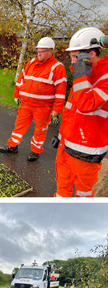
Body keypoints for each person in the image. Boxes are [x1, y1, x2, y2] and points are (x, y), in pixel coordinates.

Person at [54, 27, 108, 197]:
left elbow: (86, 104)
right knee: (62, 188)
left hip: (87, 153)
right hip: (66, 146)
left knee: (83, 196)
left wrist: (81, 75)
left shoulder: (103, 77)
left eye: (74, 57)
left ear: (90, 54)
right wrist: (62, 136)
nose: (71, 62)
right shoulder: (83, 75)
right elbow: (71, 111)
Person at [0, 37, 67, 162]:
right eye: (38, 51)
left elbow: (61, 91)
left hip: (43, 106)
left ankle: (35, 151)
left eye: (42, 51)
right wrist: (17, 95)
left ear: (50, 51)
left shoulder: (57, 67)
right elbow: (21, 80)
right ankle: (12, 146)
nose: (39, 54)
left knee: (40, 129)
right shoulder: (31, 63)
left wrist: (57, 110)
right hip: (26, 104)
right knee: (19, 126)